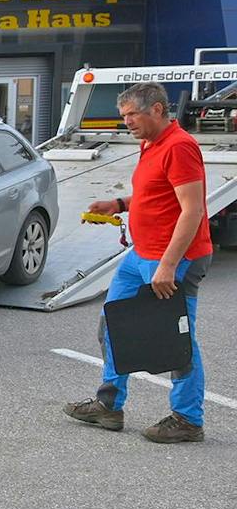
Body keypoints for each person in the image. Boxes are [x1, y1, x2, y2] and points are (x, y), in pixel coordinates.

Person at [64, 81, 213, 444]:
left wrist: (167, 265)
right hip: (141, 254)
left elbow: (192, 210)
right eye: (124, 115)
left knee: (174, 338)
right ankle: (109, 405)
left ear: (158, 110)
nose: (126, 122)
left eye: (132, 114)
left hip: (174, 260)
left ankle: (188, 419)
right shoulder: (151, 143)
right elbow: (158, 194)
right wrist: (119, 205)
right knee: (113, 322)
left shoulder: (180, 147)